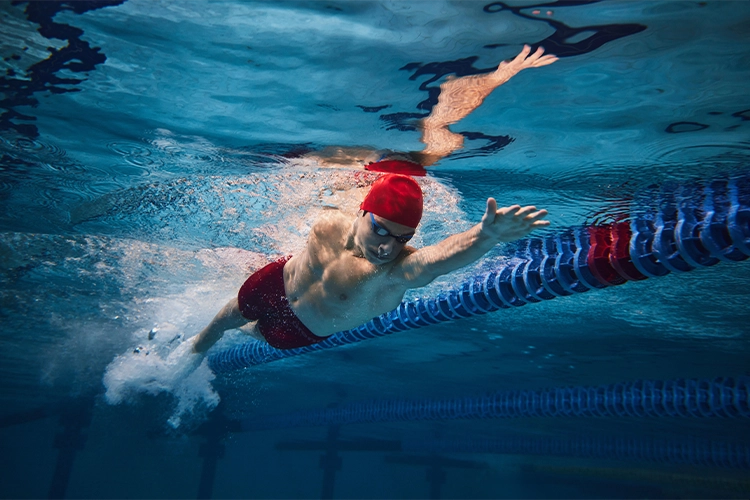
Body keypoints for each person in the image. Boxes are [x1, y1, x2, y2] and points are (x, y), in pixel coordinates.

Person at [191, 45, 557, 353]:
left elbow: (436, 261)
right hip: (276, 282)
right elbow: (436, 129)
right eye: (382, 231)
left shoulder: (394, 273)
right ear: (363, 212)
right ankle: (194, 349)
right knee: (224, 319)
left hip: (300, 331)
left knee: (249, 332)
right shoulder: (336, 217)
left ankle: (230, 338)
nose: (388, 249)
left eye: (403, 239)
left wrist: (485, 236)